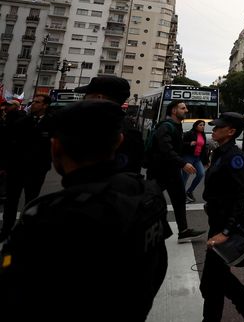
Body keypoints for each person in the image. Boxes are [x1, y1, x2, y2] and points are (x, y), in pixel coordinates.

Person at [0, 100, 170, 320]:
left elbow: (14, 296)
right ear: (119, 142)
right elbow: (159, 267)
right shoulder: (148, 194)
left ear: (55, 147)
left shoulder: (45, 217)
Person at [201, 112, 244, 322]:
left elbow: (241, 197)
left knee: (212, 282)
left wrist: (226, 232)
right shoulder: (220, 151)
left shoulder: (234, 156)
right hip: (218, 221)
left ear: (230, 132)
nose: (213, 129)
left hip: (227, 224)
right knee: (216, 280)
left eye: (218, 127)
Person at [146, 99, 205, 242]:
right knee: (151, 201)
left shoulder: (177, 127)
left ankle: (183, 231)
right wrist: (183, 163)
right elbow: (165, 148)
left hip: (172, 171)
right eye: (183, 108)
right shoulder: (166, 127)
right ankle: (143, 229)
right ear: (174, 110)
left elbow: (177, 148)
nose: (186, 110)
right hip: (159, 170)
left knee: (179, 199)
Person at [0, 94, 53, 240]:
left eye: (37, 102)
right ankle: (5, 229)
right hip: (16, 168)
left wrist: (46, 166)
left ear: (45, 105)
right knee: (11, 201)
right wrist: (5, 165)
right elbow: (8, 144)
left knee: (31, 201)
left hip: (36, 171)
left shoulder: (51, 123)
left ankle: (26, 230)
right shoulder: (21, 122)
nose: (33, 104)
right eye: (33, 101)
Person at [76, 75, 145, 174]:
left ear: (99, 98)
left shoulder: (94, 128)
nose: (83, 98)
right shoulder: (131, 131)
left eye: (86, 95)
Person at [182, 120, 209, 203]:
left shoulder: (203, 135)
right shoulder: (189, 133)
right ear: (196, 126)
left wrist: (206, 160)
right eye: (200, 125)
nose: (203, 126)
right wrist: (189, 143)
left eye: (203, 125)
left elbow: (204, 149)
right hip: (188, 157)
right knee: (185, 177)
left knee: (201, 174)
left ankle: (189, 191)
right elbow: (181, 144)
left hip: (197, 158)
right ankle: (182, 195)